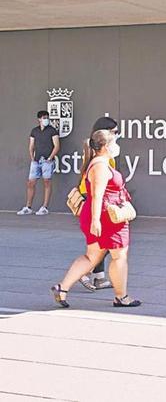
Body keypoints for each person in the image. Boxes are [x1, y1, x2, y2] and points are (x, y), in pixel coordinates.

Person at [51, 129, 141, 308]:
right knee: (119, 256)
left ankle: (62, 288)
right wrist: (96, 220)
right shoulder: (100, 165)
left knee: (92, 256)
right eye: (114, 142)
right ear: (106, 146)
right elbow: (97, 194)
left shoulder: (98, 163)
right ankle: (121, 296)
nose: (116, 145)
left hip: (102, 215)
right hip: (108, 217)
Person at [78, 117, 120, 291]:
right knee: (107, 241)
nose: (117, 136)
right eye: (115, 132)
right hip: (96, 197)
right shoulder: (103, 155)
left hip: (91, 195)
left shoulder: (94, 149)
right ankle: (84, 272)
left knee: (101, 241)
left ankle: (99, 276)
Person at [17, 110, 60, 216]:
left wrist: (50, 158)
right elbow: (31, 145)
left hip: (47, 161)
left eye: (47, 117)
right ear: (39, 119)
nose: (46, 120)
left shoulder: (52, 130)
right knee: (30, 183)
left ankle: (45, 207)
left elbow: (57, 146)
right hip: (36, 160)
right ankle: (28, 207)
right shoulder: (34, 131)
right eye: (44, 118)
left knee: (47, 182)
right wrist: (32, 157)